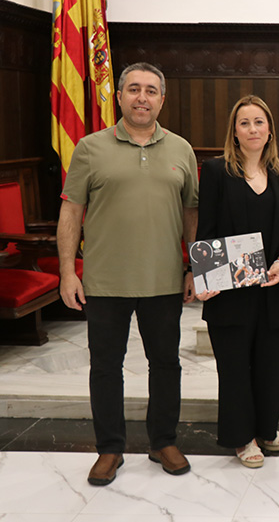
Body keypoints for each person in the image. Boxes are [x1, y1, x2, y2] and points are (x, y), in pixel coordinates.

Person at [57, 62, 198, 486]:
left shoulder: (181, 149)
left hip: (164, 280)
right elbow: (71, 210)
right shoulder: (90, 147)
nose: (142, 97)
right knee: (105, 367)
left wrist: (194, 266)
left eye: (151, 90)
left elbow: (191, 212)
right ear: (119, 97)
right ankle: (109, 448)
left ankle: (163, 441)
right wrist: (67, 270)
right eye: (133, 89)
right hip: (105, 280)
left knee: (166, 364)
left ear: (162, 99)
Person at [194, 95, 279, 468]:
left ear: (269, 129)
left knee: (271, 365)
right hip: (230, 293)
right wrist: (204, 276)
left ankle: (267, 430)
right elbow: (205, 230)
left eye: (259, 122)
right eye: (244, 123)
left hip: (272, 290)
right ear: (234, 132)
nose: (252, 129)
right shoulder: (218, 171)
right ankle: (243, 438)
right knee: (236, 368)